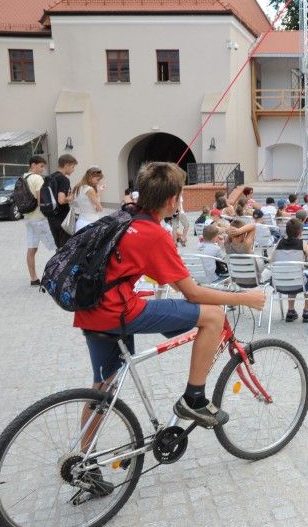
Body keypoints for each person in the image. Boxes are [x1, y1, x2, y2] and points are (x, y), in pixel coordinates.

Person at [76, 162, 266, 430]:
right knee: (213, 316)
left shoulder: (124, 217)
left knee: (103, 390)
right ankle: (194, 398)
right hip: (118, 311)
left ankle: (81, 456)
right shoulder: (155, 234)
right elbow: (191, 292)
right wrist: (246, 298)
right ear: (172, 201)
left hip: (90, 310)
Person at [268, 217, 308, 322]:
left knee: (292, 275)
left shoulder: (279, 243)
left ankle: (290, 311)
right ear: (300, 232)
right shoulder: (302, 244)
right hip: (299, 282)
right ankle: (306, 311)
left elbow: (271, 260)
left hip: (280, 282)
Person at [23, 156, 56, 286]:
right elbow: (40, 200)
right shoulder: (37, 178)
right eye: (41, 166)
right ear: (33, 165)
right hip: (40, 218)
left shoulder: (23, 178)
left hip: (28, 219)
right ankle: (56, 276)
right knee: (57, 247)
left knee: (32, 249)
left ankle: (34, 278)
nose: (43, 169)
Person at [47, 153, 78, 248]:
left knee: (59, 247)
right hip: (63, 218)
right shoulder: (64, 179)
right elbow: (61, 200)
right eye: (72, 167)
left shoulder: (50, 177)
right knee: (66, 248)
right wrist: (72, 196)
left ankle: (58, 263)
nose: (73, 170)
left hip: (51, 217)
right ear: (67, 165)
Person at [73, 166, 104, 232]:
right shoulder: (90, 189)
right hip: (90, 223)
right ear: (91, 177)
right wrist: (99, 192)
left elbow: (89, 200)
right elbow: (99, 208)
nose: (98, 182)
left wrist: (99, 191)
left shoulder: (78, 187)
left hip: (81, 221)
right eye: (97, 179)